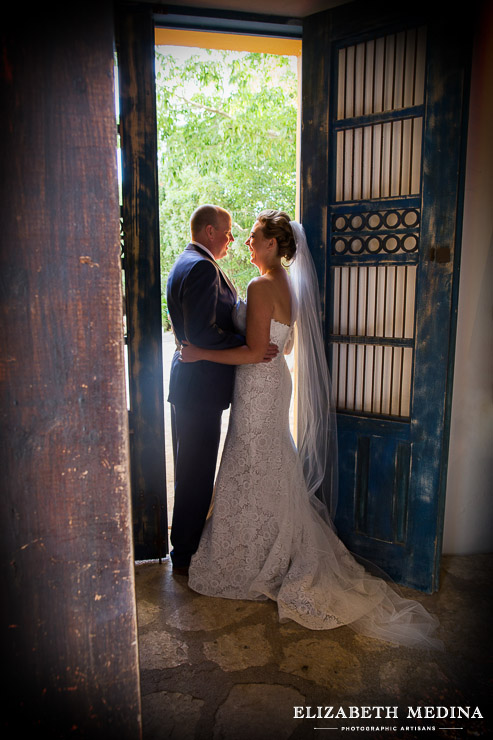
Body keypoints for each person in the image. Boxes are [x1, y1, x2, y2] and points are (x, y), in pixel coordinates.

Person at [179, 209, 443, 649]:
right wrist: (265, 349)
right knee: (267, 459)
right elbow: (286, 344)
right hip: (272, 381)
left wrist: (199, 355)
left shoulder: (261, 285)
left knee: (251, 458)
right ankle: (269, 542)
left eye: (253, 237)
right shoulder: (287, 284)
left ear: (271, 245)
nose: (246, 242)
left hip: (258, 386)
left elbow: (252, 353)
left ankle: (251, 555)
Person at [166, 205, 277, 576]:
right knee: (196, 474)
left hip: (192, 384)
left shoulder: (189, 260)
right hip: (198, 388)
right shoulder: (200, 266)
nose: (232, 240)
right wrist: (249, 340)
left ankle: (184, 548)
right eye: (228, 233)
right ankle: (184, 555)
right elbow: (203, 333)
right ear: (210, 231)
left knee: (191, 471)